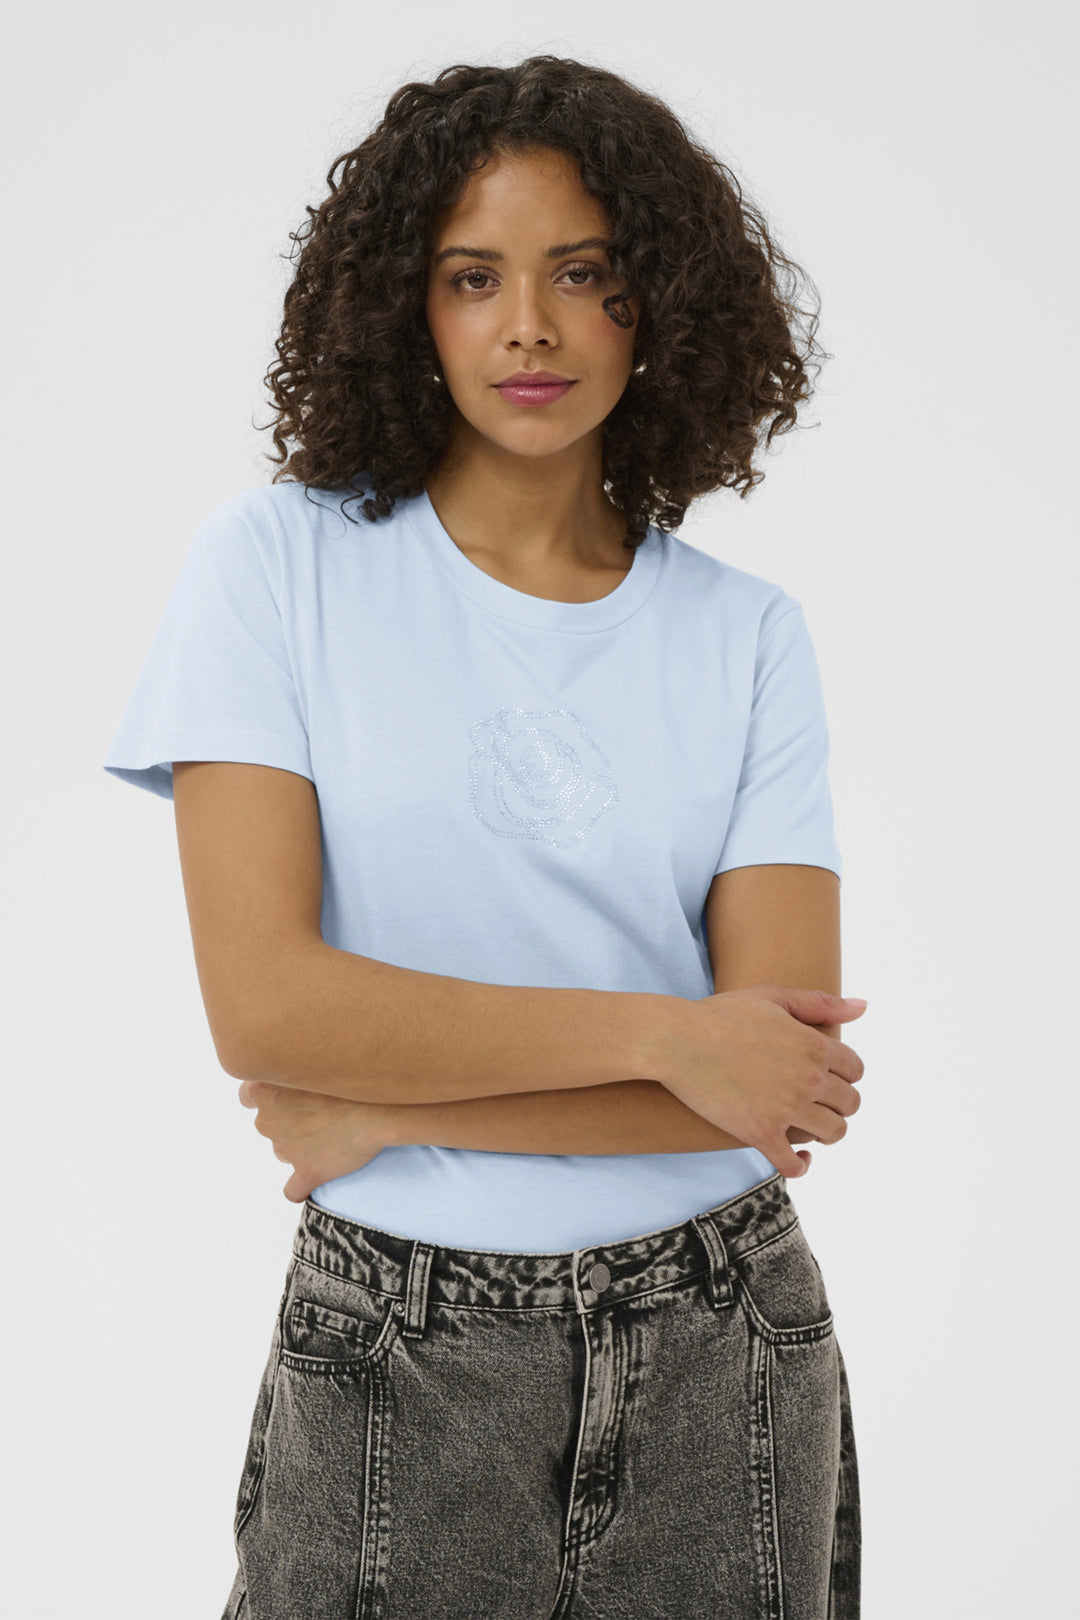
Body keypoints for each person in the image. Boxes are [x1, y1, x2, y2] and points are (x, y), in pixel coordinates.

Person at [102, 54, 866, 1620]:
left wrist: (387, 1109)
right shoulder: (275, 569)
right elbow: (269, 1007)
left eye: (583, 274)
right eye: (474, 277)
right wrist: (669, 1038)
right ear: (408, 306)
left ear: (658, 306)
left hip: (725, 1335)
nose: (530, 326)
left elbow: (775, 1087)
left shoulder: (747, 638)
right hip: (398, 1340)